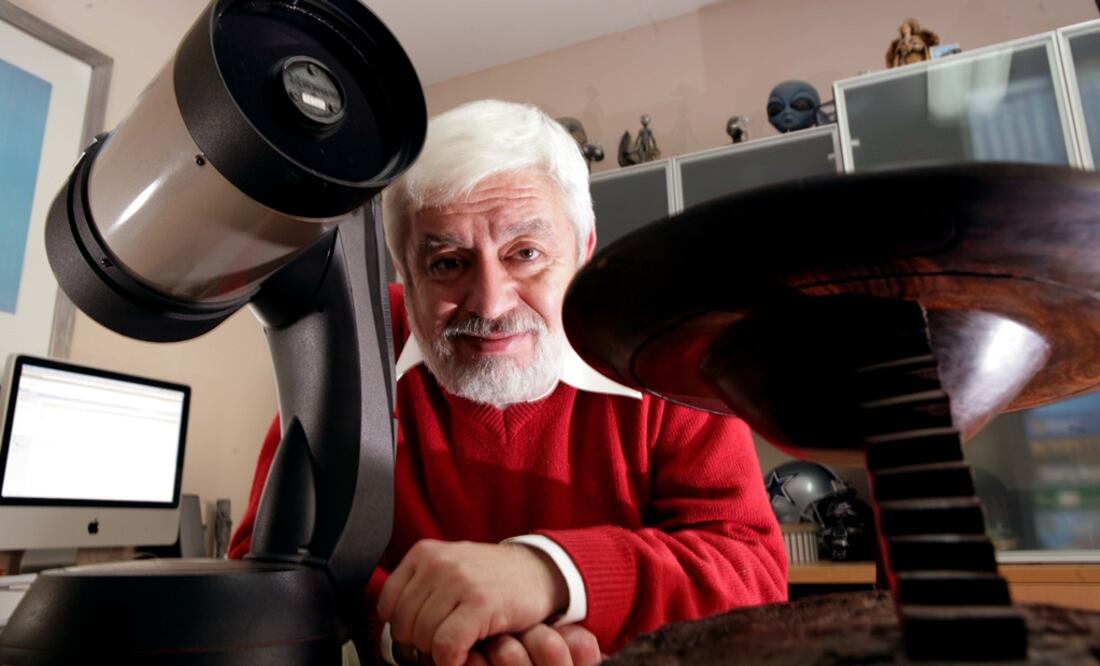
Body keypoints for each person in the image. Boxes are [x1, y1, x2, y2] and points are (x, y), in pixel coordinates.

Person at [229, 99, 787, 666]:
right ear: (403, 268)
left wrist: (549, 574)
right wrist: (416, 631)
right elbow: (271, 560)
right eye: (448, 262)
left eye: (525, 253)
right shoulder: (354, 346)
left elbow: (751, 572)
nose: (491, 303)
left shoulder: (666, 342)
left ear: (584, 250)